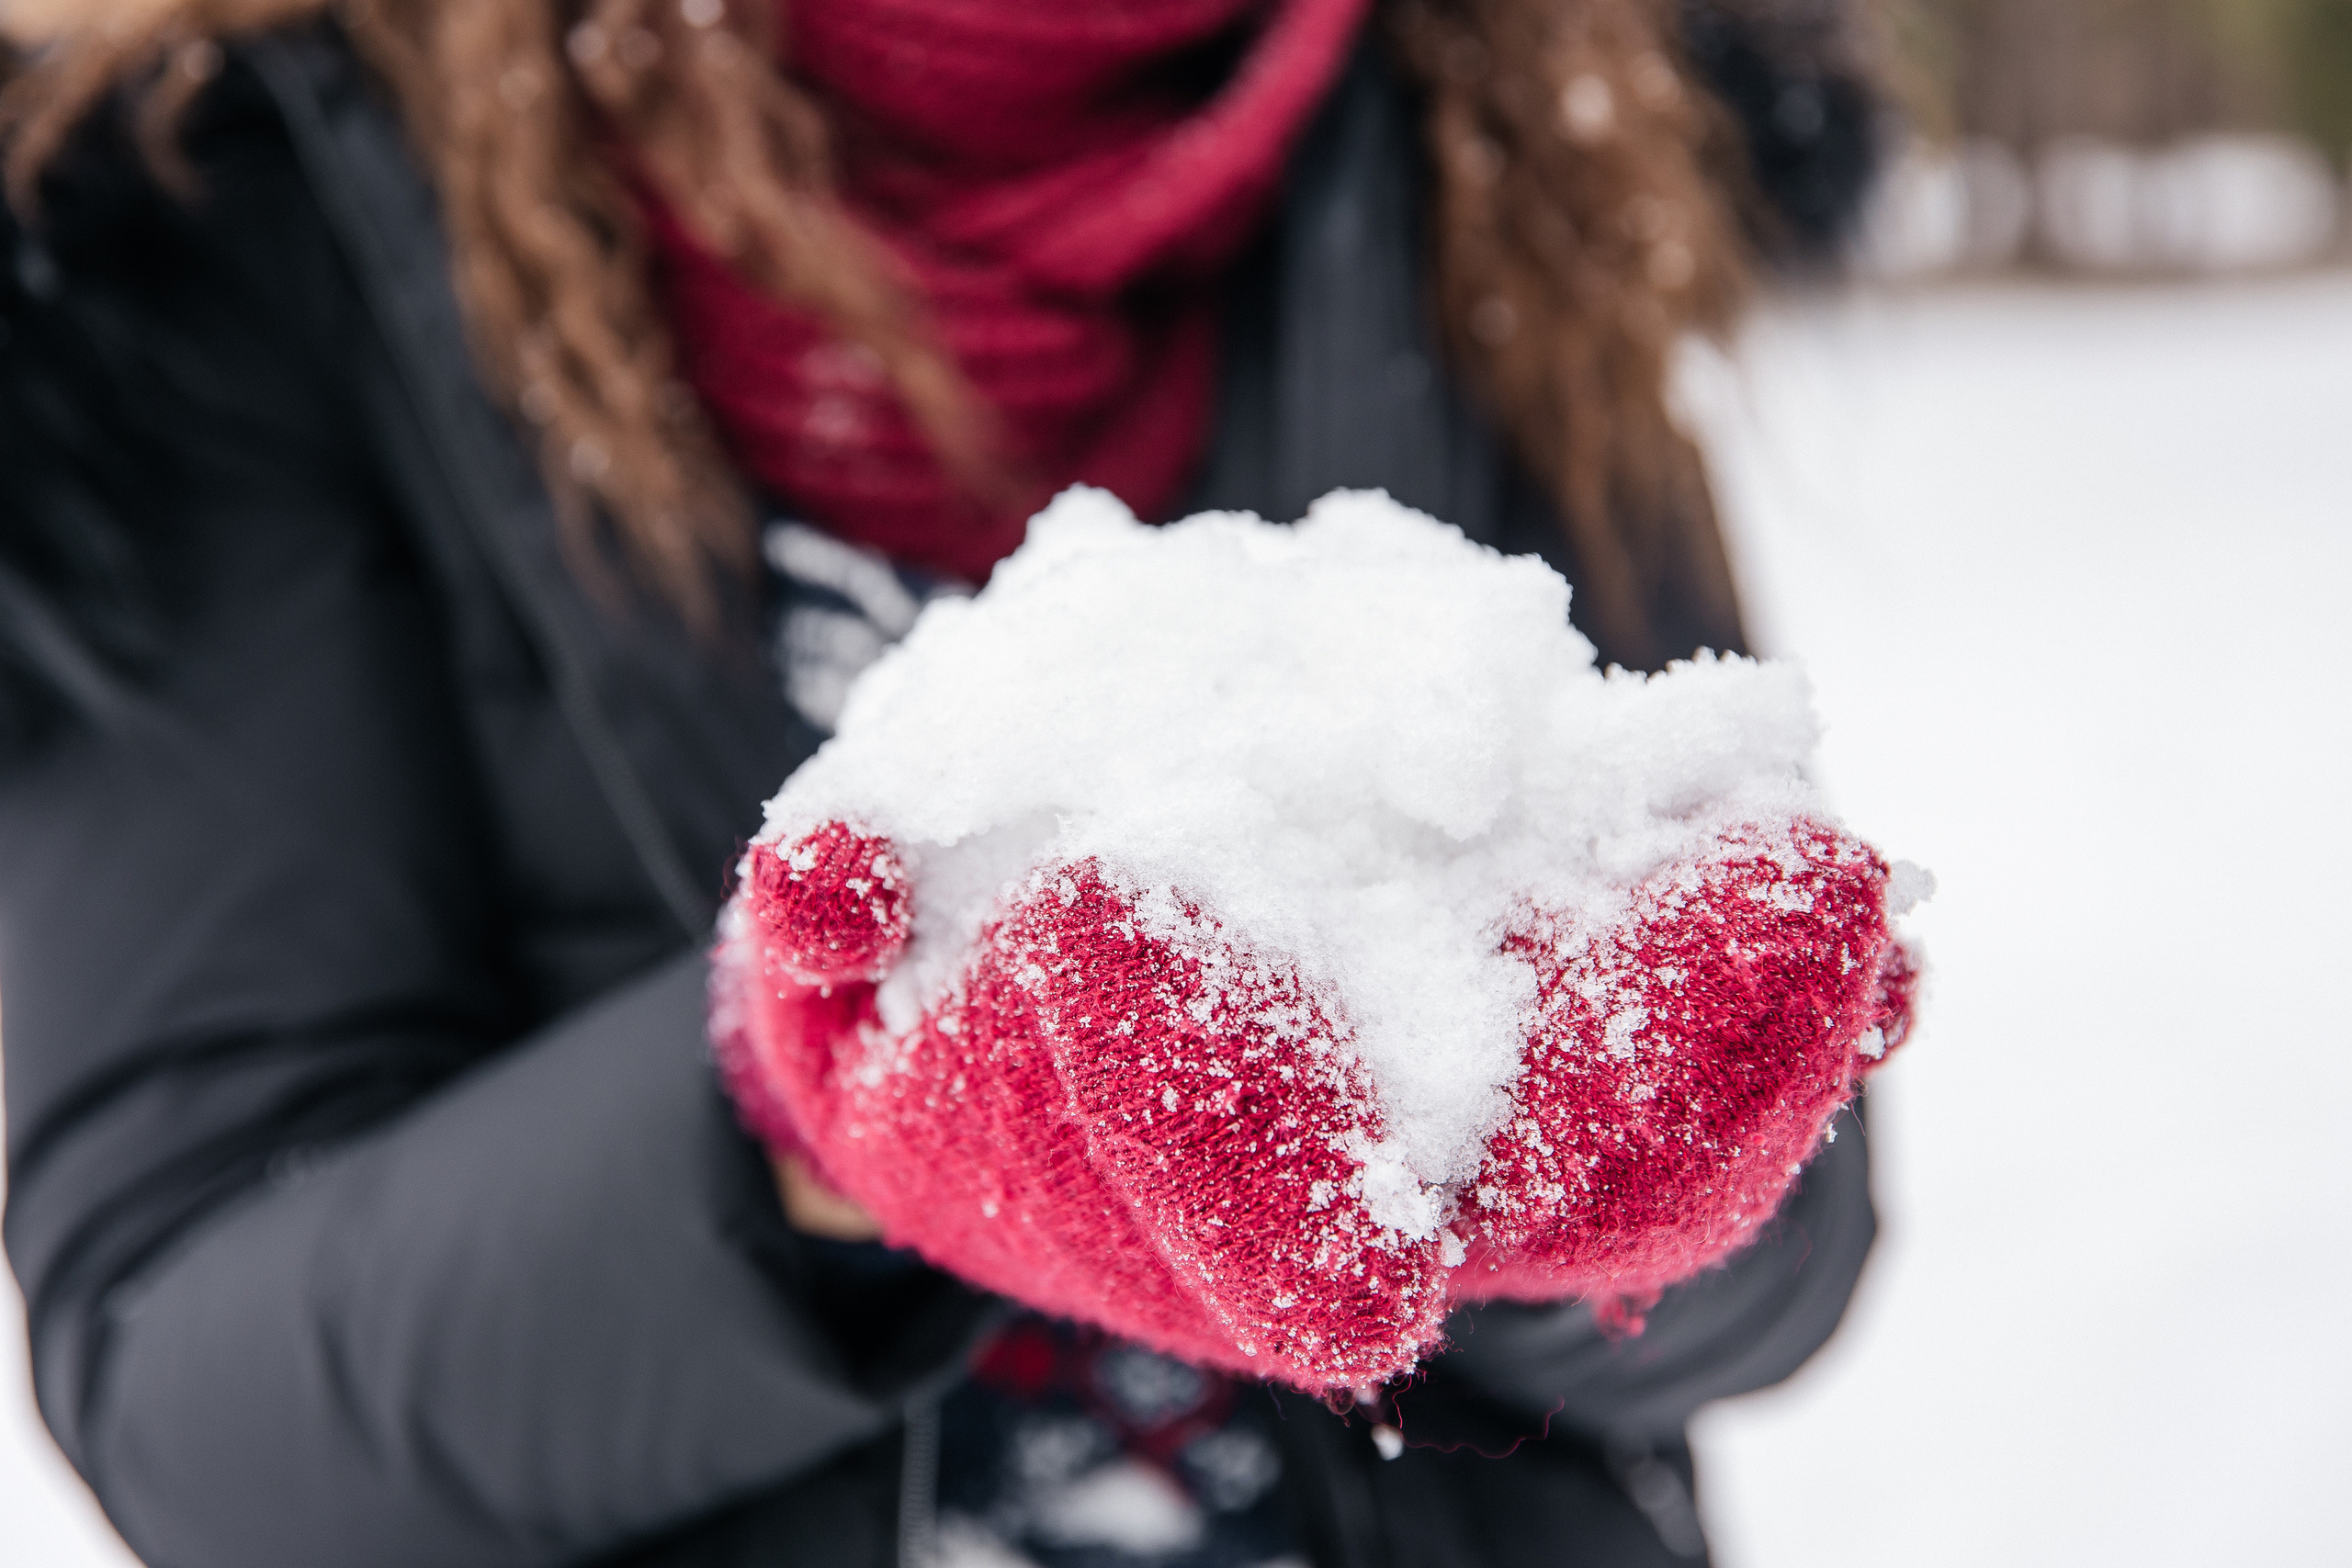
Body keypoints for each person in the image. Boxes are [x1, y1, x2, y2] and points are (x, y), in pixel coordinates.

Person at [0, 3, 1884, 1564]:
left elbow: (1785, 1267)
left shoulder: (1528, 127)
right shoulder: (220, 218)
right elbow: (197, 1391)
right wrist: (800, 1127)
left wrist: (1585, 1179)